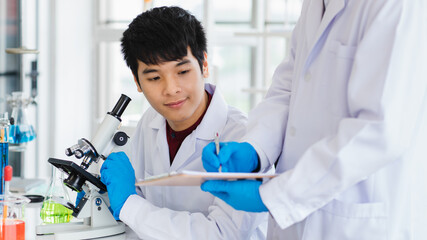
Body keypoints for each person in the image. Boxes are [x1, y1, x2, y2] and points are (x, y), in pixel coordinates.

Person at [201, 0, 427, 239]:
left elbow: (379, 132)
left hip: (359, 220)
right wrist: (255, 149)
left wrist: (277, 196)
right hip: (299, 219)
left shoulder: (396, 5)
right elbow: (289, 88)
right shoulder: (314, 4)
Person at [99, 6, 267, 240]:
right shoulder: (151, 121)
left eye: (183, 71)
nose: (171, 89)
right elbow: (138, 201)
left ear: (204, 65)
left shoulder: (243, 139)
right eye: (155, 78)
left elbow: (222, 234)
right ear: (137, 82)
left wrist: (128, 205)